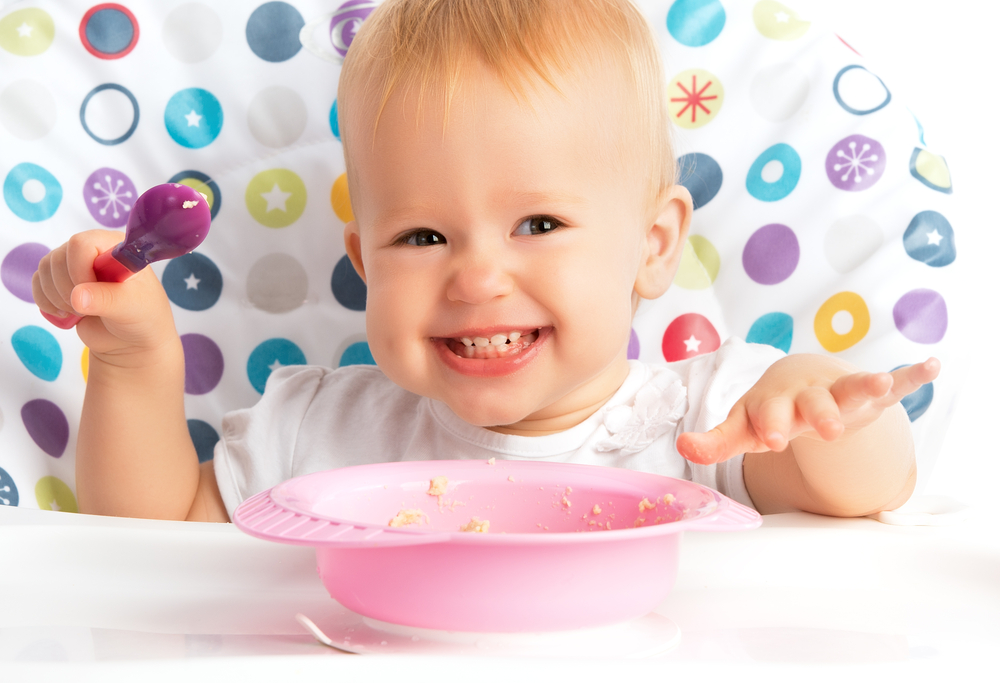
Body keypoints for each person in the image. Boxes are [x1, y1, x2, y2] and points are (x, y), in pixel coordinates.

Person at [31, 0, 938, 524]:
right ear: (365, 262)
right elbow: (158, 534)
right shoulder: (315, 432)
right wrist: (134, 361)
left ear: (653, 244)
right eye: (422, 238)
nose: (476, 278)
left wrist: (819, 408)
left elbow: (868, 491)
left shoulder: (710, 424)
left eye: (538, 223)